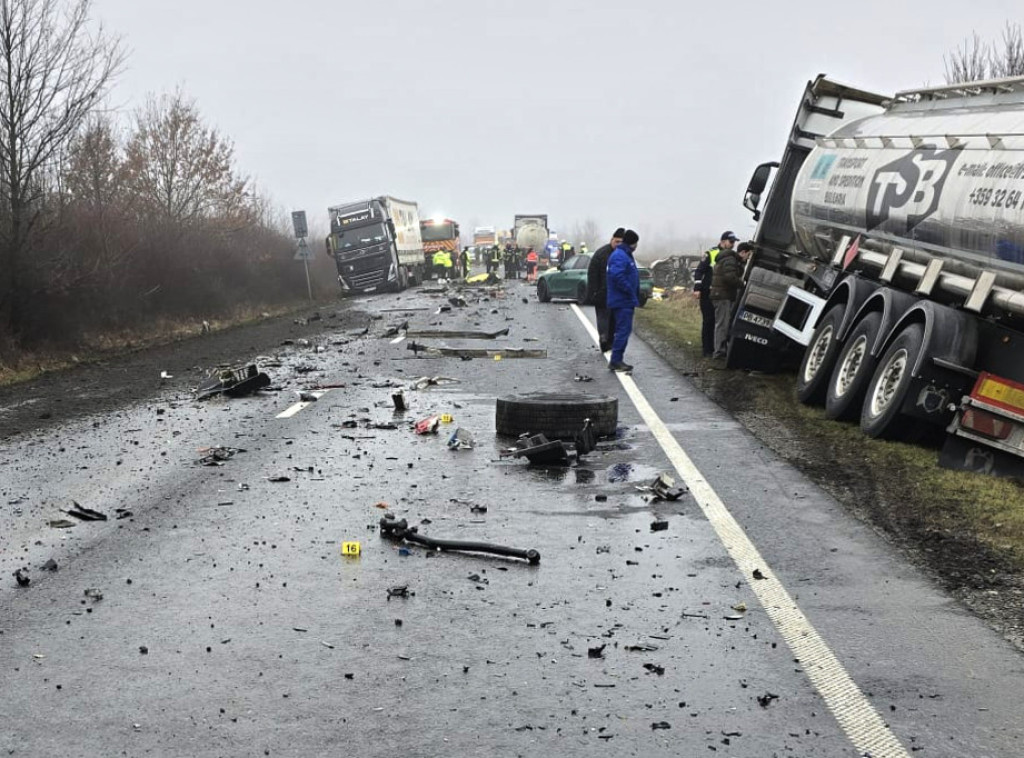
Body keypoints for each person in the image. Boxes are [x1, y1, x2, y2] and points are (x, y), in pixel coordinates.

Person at [693, 231, 738, 357]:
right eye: (731, 242)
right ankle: (707, 349)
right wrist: (697, 288)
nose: (733, 245)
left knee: (719, 321)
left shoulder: (732, 256)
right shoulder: (711, 253)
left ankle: (716, 348)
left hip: (720, 294)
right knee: (708, 320)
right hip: (707, 292)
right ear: (723, 241)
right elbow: (699, 271)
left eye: (734, 242)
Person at [709, 237, 750, 359]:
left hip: (720, 294)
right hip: (723, 295)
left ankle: (720, 350)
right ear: (743, 252)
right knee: (722, 324)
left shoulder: (729, 259)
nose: (748, 258)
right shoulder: (730, 260)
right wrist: (742, 284)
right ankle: (719, 352)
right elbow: (730, 277)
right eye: (748, 255)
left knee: (722, 323)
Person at [606, 229, 640, 372]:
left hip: (625, 299)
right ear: (632, 243)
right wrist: (629, 290)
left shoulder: (625, 254)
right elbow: (617, 276)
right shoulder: (620, 256)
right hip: (622, 300)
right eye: (636, 243)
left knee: (623, 330)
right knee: (623, 331)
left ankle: (617, 359)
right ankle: (616, 361)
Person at [587, 227, 625, 352]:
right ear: (612, 240)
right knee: (603, 317)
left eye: (621, 242)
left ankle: (610, 341)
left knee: (614, 320)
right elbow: (592, 274)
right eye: (617, 242)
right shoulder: (601, 254)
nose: (619, 245)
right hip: (602, 293)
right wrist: (593, 292)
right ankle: (603, 338)